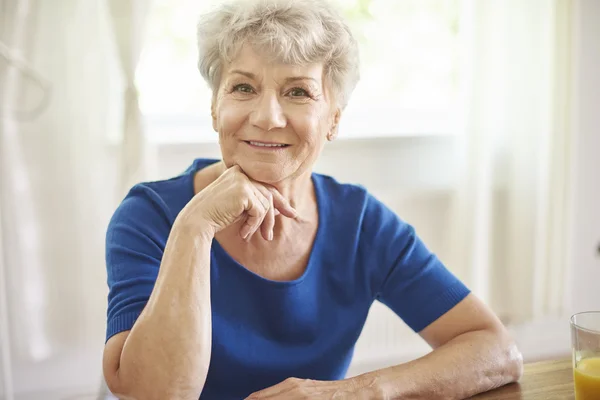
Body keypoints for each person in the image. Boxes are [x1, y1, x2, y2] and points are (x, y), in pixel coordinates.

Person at [102, 0, 523, 398]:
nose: (267, 117)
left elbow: (496, 350)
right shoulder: (148, 216)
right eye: (243, 87)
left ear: (333, 119)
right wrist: (195, 227)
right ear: (215, 106)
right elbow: (152, 394)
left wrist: (357, 392)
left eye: (298, 92)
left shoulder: (360, 223)